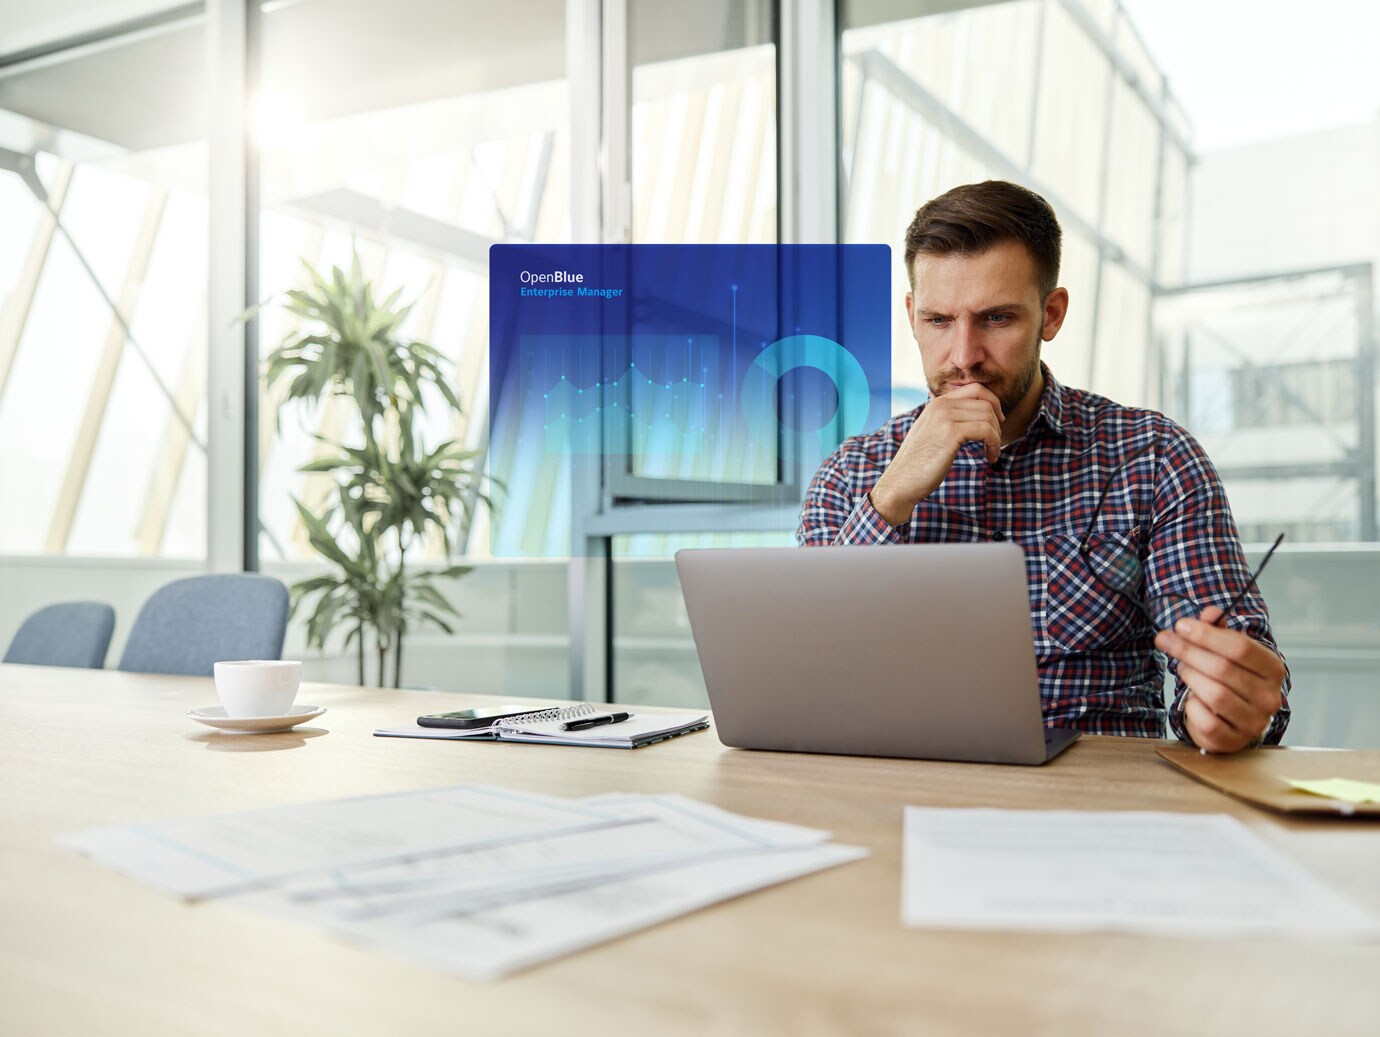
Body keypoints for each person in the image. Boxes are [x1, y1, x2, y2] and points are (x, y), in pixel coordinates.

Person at [797, 180, 1289, 753]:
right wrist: (891, 499)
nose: (964, 356)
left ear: (1050, 315)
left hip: (1097, 806)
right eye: (937, 321)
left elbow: (1232, 672)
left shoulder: (1151, 457)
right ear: (910, 315)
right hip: (899, 792)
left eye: (997, 319)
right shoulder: (851, 474)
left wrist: (1226, 709)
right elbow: (807, 675)